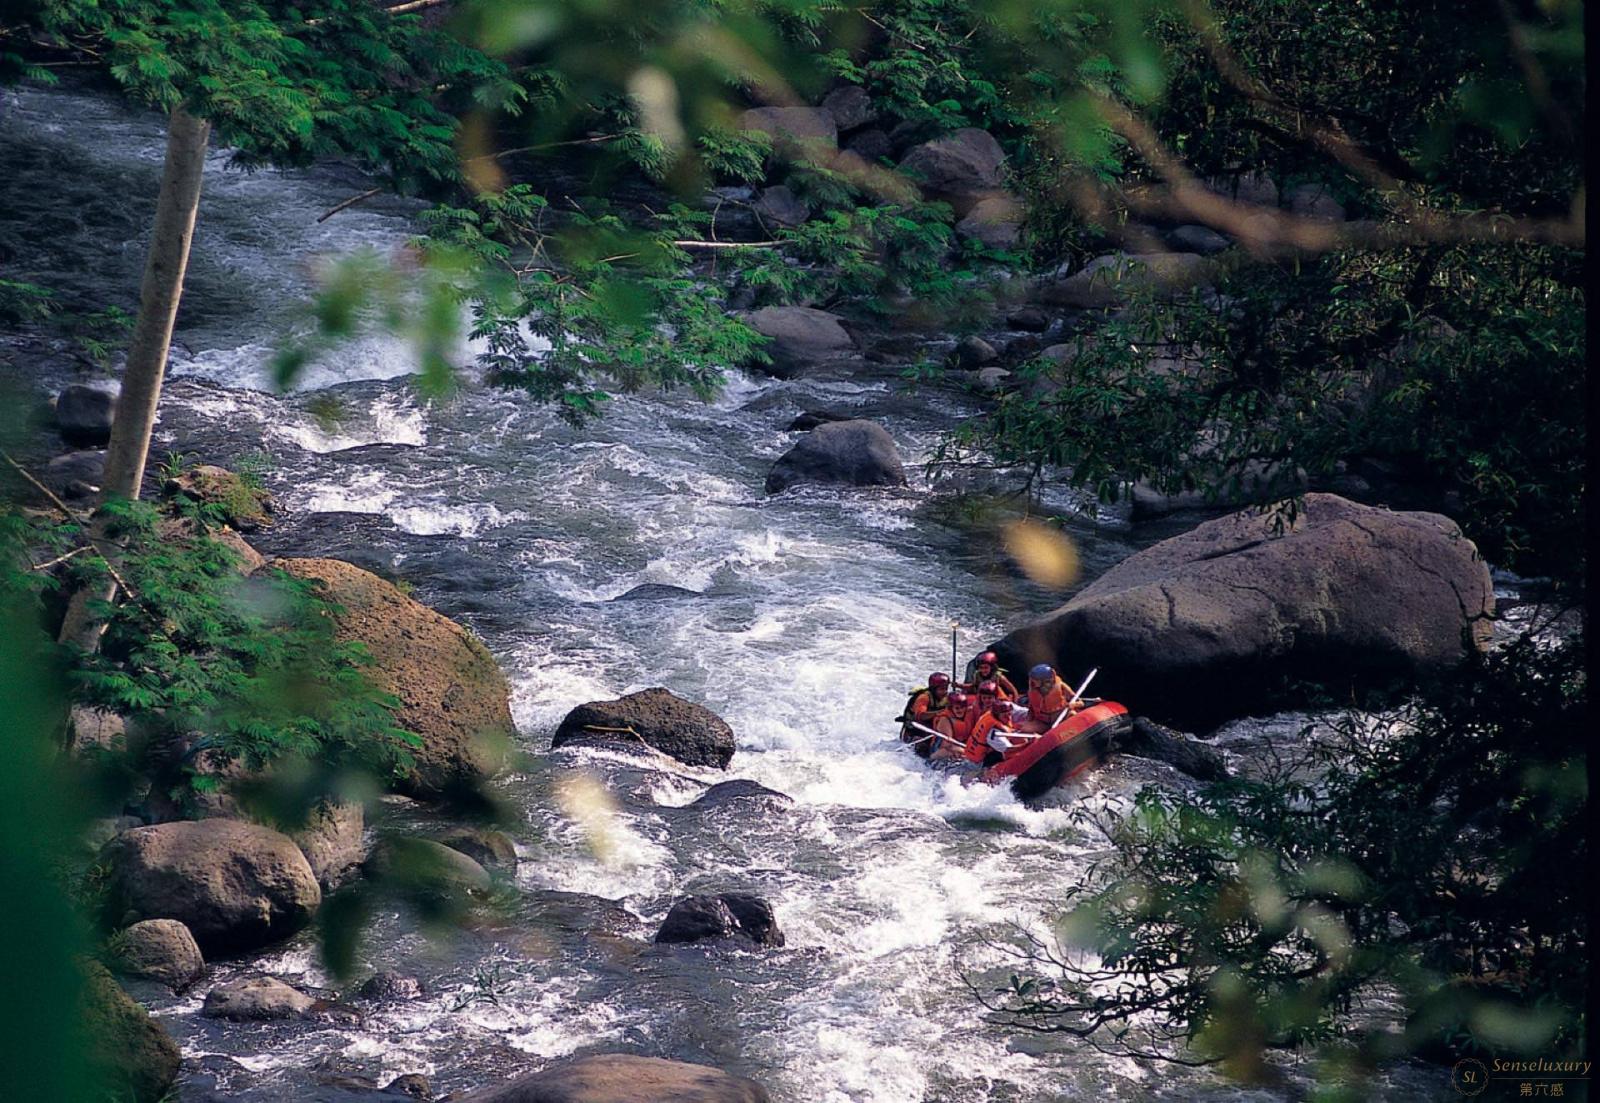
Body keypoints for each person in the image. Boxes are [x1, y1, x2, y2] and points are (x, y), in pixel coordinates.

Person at [1017, 663, 1079, 734]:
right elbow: (1032, 709)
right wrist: (1028, 721)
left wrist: (1074, 704)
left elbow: (1080, 702)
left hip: (1061, 717)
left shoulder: (1061, 685)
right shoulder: (1033, 691)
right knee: (1024, 728)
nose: (1033, 681)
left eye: (1035, 679)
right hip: (1044, 722)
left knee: (1072, 714)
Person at [965, 697, 1021, 765]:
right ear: (997, 716)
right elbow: (1008, 749)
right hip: (980, 762)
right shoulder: (993, 731)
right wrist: (1027, 745)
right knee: (999, 755)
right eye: (1005, 716)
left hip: (977, 753)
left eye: (1009, 714)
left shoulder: (990, 715)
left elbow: (1024, 712)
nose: (1009, 718)